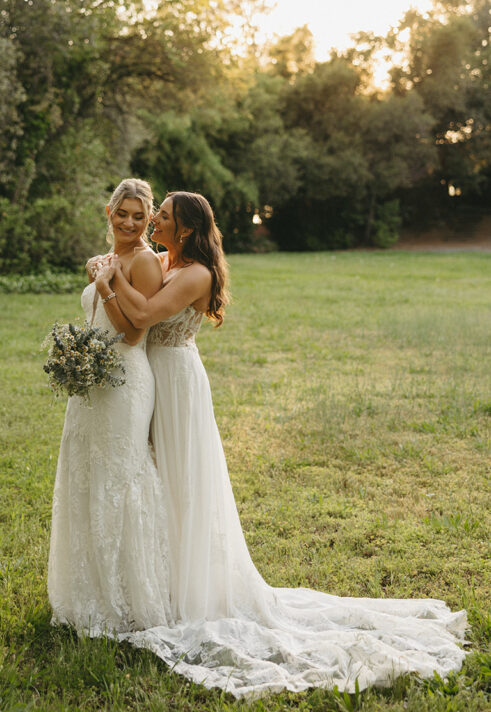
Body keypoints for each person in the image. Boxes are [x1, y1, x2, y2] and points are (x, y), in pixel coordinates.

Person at [93, 190, 467, 697]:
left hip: (178, 382)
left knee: (182, 480)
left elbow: (143, 315)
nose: (151, 220)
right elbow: (134, 281)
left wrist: (109, 277)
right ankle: (162, 579)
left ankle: (194, 588)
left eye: (160, 216)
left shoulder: (197, 273)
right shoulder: (163, 259)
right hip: (149, 380)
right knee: (156, 480)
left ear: (183, 229)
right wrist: (114, 264)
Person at [47, 179, 171, 635]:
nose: (131, 223)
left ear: (149, 219)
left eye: (140, 216)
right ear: (109, 211)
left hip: (125, 381)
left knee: (120, 475)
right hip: (93, 381)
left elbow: (135, 331)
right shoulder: (108, 257)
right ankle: (88, 592)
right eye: (124, 213)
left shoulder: (142, 262)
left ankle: (131, 598)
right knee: (84, 472)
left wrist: (105, 284)